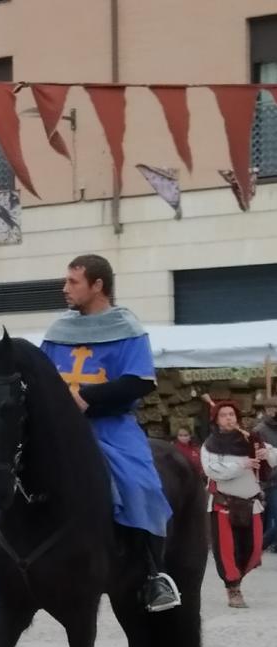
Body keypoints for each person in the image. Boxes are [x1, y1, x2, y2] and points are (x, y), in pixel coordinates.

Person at [41, 254, 180, 613]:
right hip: (57, 428)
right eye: (66, 281)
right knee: (9, 469)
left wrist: (87, 398)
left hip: (110, 426)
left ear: (97, 285)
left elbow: (139, 381)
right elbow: (39, 376)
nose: (65, 288)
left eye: (73, 282)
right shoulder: (58, 332)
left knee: (141, 484)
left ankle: (152, 574)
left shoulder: (127, 329)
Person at [201, 400, 277, 607]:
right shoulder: (210, 445)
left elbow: (274, 457)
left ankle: (236, 578)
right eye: (223, 415)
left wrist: (267, 454)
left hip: (251, 503)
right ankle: (233, 588)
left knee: (254, 550)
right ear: (216, 420)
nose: (229, 418)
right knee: (227, 552)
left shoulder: (251, 439)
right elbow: (212, 470)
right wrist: (242, 464)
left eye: (231, 415)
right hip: (224, 504)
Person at [252, 400, 277, 550]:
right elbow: (257, 456)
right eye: (271, 408)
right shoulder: (259, 430)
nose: (273, 411)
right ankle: (259, 546)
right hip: (271, 480)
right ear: (266, 410)